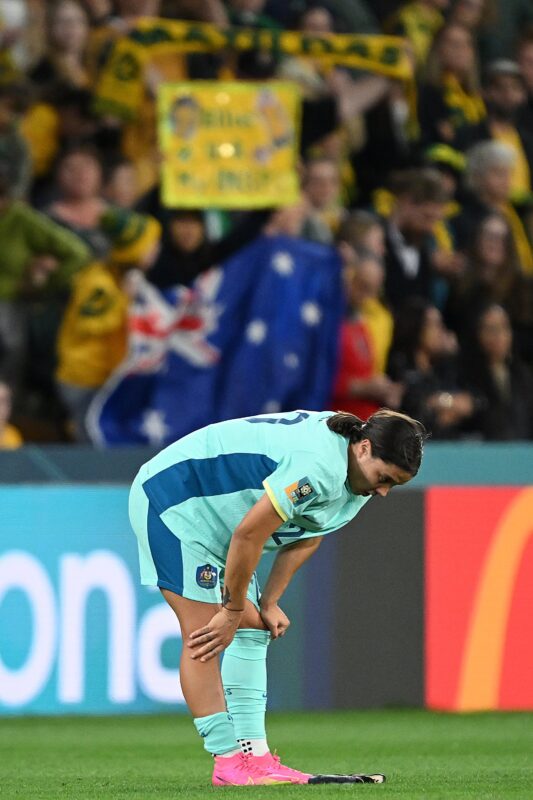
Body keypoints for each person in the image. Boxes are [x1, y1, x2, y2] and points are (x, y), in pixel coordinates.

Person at [128, 408, 426, 786]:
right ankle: (228, 762)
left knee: (254, 628)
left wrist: (268, 601)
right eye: (384, 478)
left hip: (224, 523)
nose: (383, 491)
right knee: (205, 634)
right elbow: (249, 536)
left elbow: (312, 532)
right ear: (364, 447)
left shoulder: (356, 474)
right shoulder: (319, 465)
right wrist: (233, 608)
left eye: (393, 485)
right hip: (176, 502)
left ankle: (256, 757)